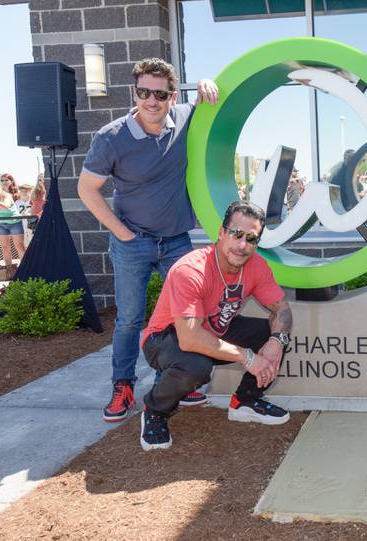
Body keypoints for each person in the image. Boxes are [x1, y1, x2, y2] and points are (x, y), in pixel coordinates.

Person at [78, 57, 220, 422]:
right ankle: (122, 386)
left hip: (175, 241)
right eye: (144, 92)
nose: (152, 101)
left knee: (185, 315)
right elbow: (87, 190)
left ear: (173, 97)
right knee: (129, 319)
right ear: (134, 92)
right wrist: (122, 233)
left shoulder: (184, 119)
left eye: (160, 94)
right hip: (132, 244)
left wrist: (205, 80)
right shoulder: (111, 137)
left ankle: (171, 383)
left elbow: (205, 99)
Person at [139, 200, 292, 450]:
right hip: (166, 338)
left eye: (251, 239)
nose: (242, 245)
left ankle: (245, 402)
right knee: (196, 366)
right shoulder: (191, 269)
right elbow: (189, 338)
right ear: (221, 233)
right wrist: (248, 358)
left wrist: (277, 342)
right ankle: (155, 410)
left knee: (273, 333)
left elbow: (282, 310)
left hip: (213, 328)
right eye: (236, 234)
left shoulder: (256, 266)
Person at [0, 178, 25, 278]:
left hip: (14, 222)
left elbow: (5, 206)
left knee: (19, 246)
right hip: (0, 224)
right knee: (5, 248)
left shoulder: (6, 195)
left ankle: (26, 269)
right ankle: (10, 272)